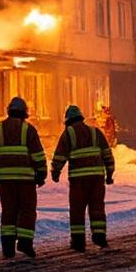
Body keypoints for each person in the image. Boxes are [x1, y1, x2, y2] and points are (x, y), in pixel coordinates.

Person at [0, 96, 47, 259]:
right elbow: (37, 154)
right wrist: (41, 173)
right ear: (24, 113)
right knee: (27, 210)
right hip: (26, 179)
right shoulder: (28, 130)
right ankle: (25, 242)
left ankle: (8, 247)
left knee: (9, 210)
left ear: (9, 111)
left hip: (5, 179)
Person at [51, 104, 115, 251]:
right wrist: (110, 173)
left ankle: (78, 242)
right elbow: (107, 154)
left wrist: (55, 172)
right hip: (97, 178)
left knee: (77, 210)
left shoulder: (68, 134)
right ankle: (100, 237)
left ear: (68, 120)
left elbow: (60, 156)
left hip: (78, 180)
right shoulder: (95, 132)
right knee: (97, 207)